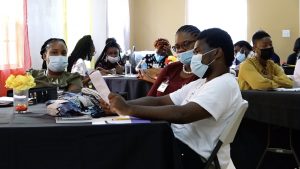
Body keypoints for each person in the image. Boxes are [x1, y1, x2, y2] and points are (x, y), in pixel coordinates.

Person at [101, 28, 243, 169]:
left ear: (217, 53)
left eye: (198, 52)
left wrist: (128, 109)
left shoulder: (224, 84)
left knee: (122, 146)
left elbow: (182, 114)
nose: (194, 57)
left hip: (190, 154)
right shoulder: (202, 82)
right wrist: (121, 105)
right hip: (178, 143)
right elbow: (160, 100)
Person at [147, 25, 200, 96]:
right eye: (177, 47)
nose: (180, 49)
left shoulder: (203, 74)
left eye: (185, 44)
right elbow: (150, 97)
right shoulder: (170, 69)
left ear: (198, 43)